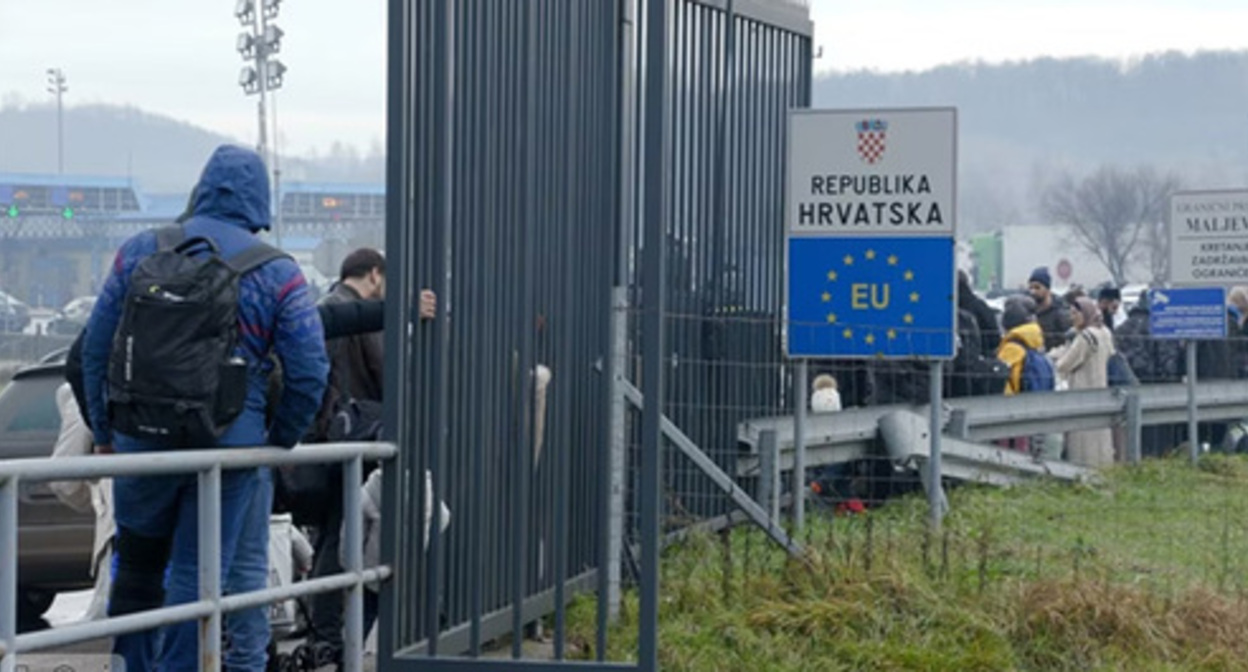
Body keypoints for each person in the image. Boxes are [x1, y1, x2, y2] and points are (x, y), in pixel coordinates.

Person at [81, 145, 329, 672]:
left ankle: (129, 666)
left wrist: (105, 430)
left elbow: (95, 349)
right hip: (229, 444)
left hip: (140, 440)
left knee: (138, 565)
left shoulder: (139, 251)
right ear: (260, 199)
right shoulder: (278, 272)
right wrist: (277, 439)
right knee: (198, 576)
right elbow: (310, 371)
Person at [304, 248, 435, 665]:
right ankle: (333, 634)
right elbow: (385, 372)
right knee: (341, 535)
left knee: (332, 532)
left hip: (330, 436)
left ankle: (326, 631)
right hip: (356, 436)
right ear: (375, 274)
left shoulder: (328, 306)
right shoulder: (354, 312)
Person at [1055, 297, 1115, 467]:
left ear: (1085, 313)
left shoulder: (1086, 337)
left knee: (1083, 441)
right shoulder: (1105, 332)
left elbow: (1065, 364)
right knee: (1100, 437)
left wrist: (1054, 357)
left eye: (1075, 313)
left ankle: (1082, 472)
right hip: (1102, 390)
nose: (1072, 317)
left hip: (1082, 391)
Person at [1028, 267, 1072, 351]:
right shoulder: (1029, 313)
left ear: (1047, 289)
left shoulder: (1061, 313)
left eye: (1037, 288)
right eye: (1031, 288)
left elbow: (1068, 343)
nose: (1033, 292)